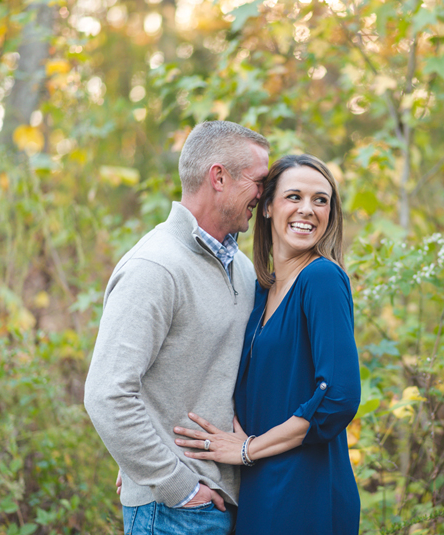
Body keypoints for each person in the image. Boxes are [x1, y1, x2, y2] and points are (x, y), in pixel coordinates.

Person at [84, 121, 270, 534]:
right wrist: (173, 483)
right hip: (175, 511)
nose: (264, 194)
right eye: (259, 180)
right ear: (219, 177)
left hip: (225, 501)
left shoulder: (240, 268)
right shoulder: (155, 267)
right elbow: (106, 392)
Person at [173, 154, 362, 534]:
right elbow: (208, 368)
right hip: (259, 487)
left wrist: (248, 450)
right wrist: (151, 464)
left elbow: (339, 396)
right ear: (267, 207)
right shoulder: (260, 289)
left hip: (307, 488)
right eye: (294, 196)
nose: (308, 210)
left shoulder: (322, 279)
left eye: (320, 200)